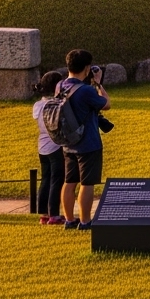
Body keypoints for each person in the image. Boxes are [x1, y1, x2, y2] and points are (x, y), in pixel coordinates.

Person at [58, 50, 110, 231]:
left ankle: (69, 219)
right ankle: (86, 221)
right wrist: (98, 83)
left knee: (69, 181)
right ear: (87, 68)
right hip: (88, 142)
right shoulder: (86, 90)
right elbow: (106, 103)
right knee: (87, 183)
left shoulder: (60, 86)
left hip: (68, 142)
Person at [31, 70, 67, 225]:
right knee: (56, 180)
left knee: (45, 179)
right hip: (55, 145)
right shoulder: (54, 104)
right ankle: (54, 214)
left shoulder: (38, 104)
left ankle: (44, 213)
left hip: (42, 146)